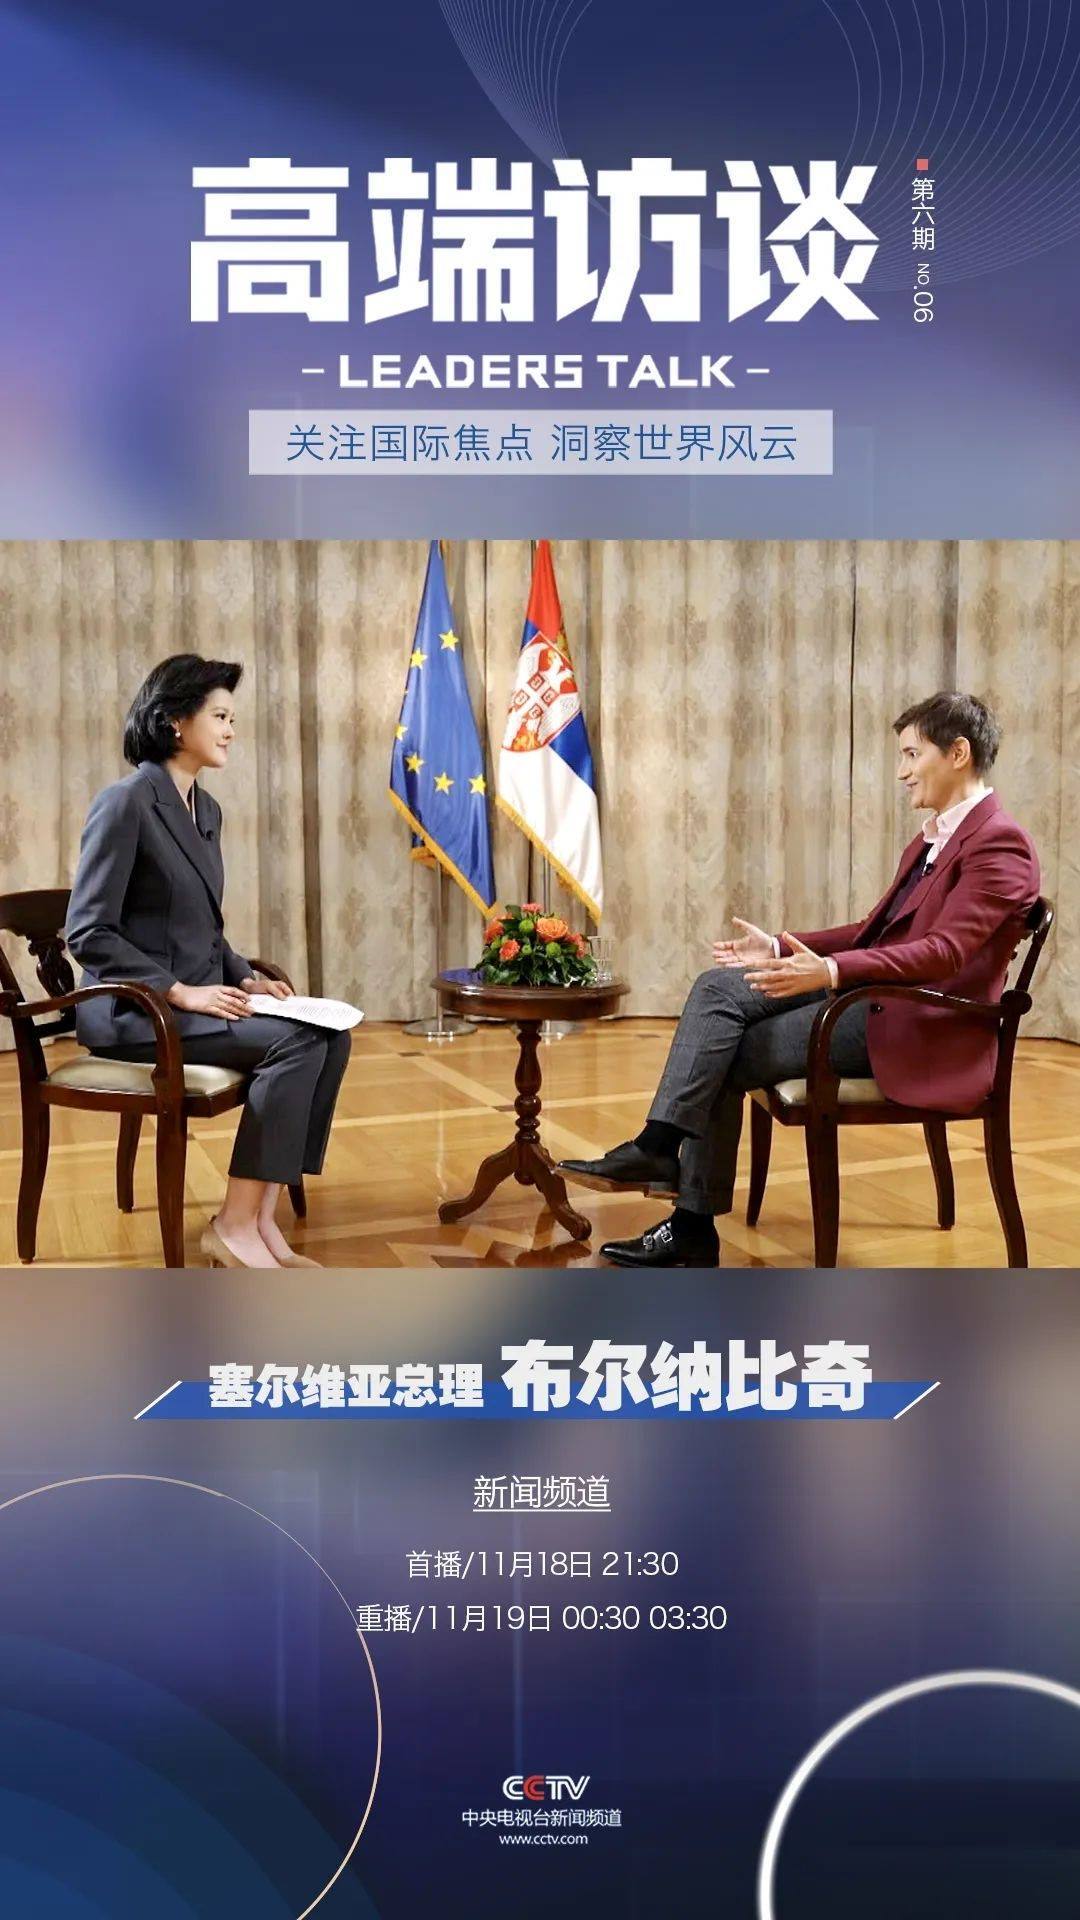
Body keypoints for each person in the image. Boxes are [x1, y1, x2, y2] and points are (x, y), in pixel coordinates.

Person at [559, 692, 1041, 1267]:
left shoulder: (999, 844)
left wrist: (831, 970)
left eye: (912, 755)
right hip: (879, 1000)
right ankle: (658, 1146)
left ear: (957, 753)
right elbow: (871, 931)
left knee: (725, 1051)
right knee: (718, 987)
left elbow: (945, 953)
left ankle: (688, 1219)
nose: (902, 772)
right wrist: (780, 946)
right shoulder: (934, 839)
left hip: (923, 1025)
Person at [65, 654, 351, 1269]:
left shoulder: (205, 809)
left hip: (189, 1004)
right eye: (220, 717)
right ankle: (233, 1225)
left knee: (332, 1035)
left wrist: (244, 974)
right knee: (297, 1042)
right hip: (136, 1013)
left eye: (231, 719)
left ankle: (261, 1220)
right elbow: (88, 932)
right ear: (176, 721)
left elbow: (201, 926)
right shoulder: (125, 803)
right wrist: (178, 991)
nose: (230, 731)